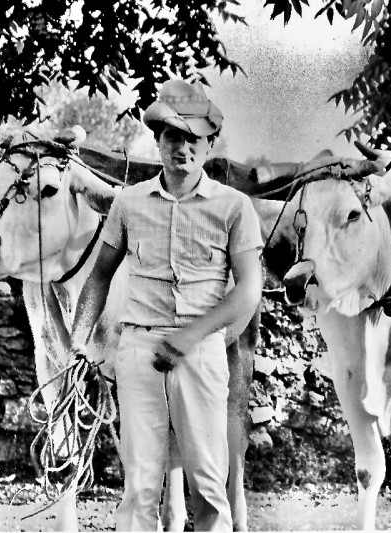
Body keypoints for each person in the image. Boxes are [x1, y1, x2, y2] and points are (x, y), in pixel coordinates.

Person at [69, 79, 263, 531]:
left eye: (194, 138)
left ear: (209, 144)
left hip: (201, 351)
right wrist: (79, 342)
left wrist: (189, 338)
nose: (183, 147)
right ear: (157, 140)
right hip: (138, 351)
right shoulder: (129, 203)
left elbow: (248, 290)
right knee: (139, 485)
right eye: (172, 135)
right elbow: (99, 276)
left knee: (208, 485)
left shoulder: (234, 208)